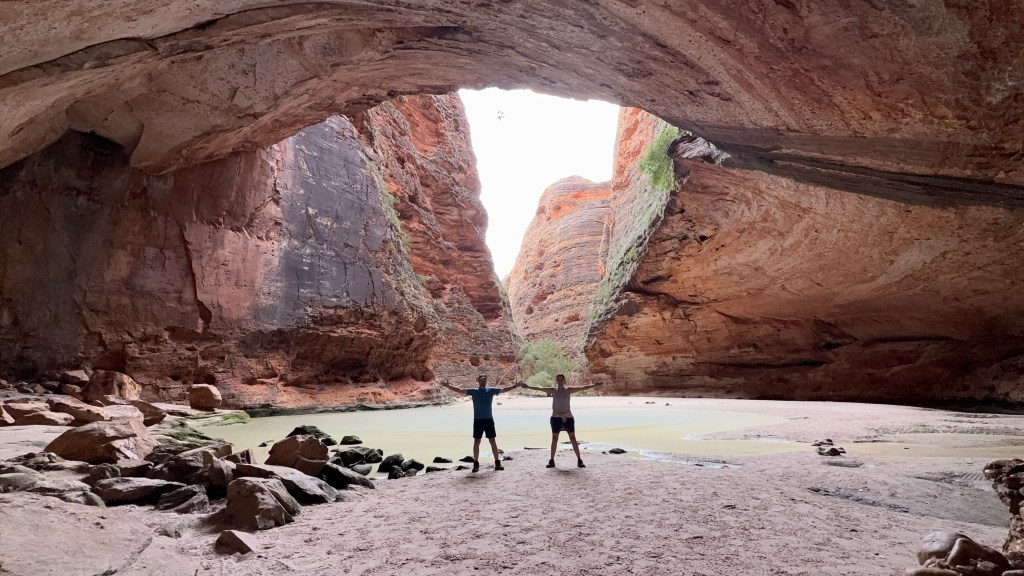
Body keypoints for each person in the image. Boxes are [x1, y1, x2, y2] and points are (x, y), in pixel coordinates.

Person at [441, 374, 521, 473]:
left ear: (486, 381)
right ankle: (476, 464)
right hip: (478, 420)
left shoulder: (491, 390)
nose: (483, 381)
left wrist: (514, 386)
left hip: (488, 420)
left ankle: (497, 463)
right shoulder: (474, 392)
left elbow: (503, 389)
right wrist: (449, 386)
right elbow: (461, 390)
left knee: (492, 441)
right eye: (481, 379)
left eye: (485, 379)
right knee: (477, 442)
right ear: (477, 381)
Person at [521, 374, 602, 468]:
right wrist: (528, 386)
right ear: (556, 381)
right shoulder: (553, 390)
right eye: (558, 380)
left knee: (573, 439)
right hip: (556, 418)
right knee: (554, 439)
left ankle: (579, 460)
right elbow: (540, 388)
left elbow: (582, 388)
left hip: (568, 417)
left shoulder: (568, 390)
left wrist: (594, 385)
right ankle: (551, 460)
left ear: (564, 380)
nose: (560, 381)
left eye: (561, 379)